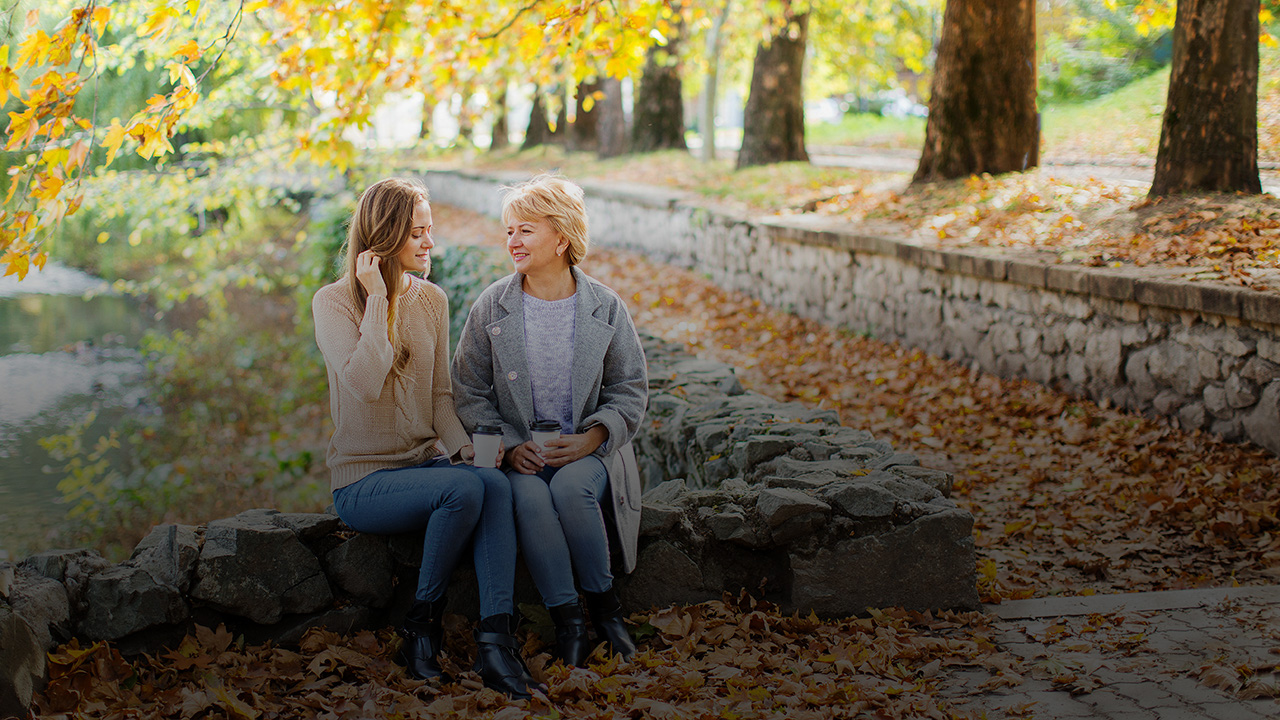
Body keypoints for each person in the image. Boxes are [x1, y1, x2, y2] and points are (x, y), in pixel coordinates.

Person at [311, 177, 538, 699]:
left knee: (492, 482)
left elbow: (440, 397)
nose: (430, 243)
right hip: (363, 482)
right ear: (383, 239)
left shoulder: (432, 300)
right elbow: (365, 384)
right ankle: (421, 624)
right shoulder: (335, 303)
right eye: (417, 233)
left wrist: (464, 448)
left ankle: (496, 641)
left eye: (430, 230)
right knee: (463, 489)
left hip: (425, 467)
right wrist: (377, 300)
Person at [452, 174, 648, 667]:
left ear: (561, 237)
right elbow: (468, 390)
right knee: (533, 499)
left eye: (525, 230)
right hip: (524, 457)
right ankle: (571, 624)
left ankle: (608, 613)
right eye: (509, 231)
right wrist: (509, 445)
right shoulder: (490, 306)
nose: (511, 241)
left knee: (569, 490)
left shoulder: (605, 306)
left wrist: (591, 438)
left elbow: (630, 388)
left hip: (591, 454)